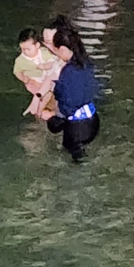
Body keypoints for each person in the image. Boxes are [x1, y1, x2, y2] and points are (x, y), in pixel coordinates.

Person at [44, 19, 101, 162]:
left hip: (78, 130)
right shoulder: (85, 62)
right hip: (93, 121)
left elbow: (67, 107)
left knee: (72, 154)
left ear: (63, 49)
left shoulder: (67, 73)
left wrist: (51, 117)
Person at [12, 28, 58, 118]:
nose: (25, 52)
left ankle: (40, 108)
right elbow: (17, 71)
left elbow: (54, 62)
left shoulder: (44, 52)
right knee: (47, 93)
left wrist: (45, 66)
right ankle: (39, 112)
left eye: (28, 49)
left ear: (37, 45)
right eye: (22, 49)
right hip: (33, 79)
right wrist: (24, 79)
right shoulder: (20, 60)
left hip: (45, 78)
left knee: (50, 91)